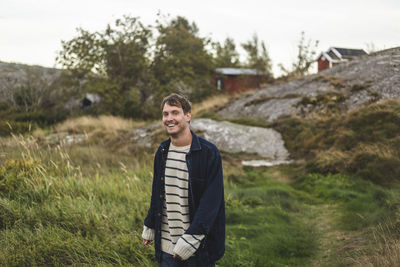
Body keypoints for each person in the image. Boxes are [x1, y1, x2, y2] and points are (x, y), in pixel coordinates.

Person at [142, 93, 225, 267]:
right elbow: (158, 192)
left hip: (197, 248)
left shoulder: (208, 153)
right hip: (166, 248)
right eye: (166, 114)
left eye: (175, 113)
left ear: (188, 116)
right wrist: (150, 224)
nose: (169, 118)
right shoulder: (163, 150)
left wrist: (189, 240)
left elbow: (211, 203)